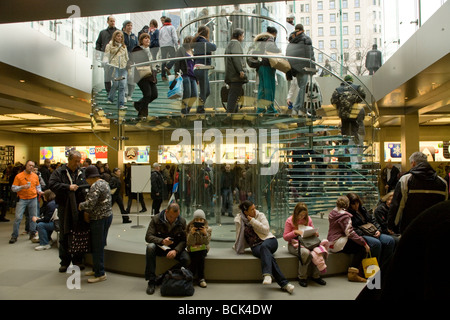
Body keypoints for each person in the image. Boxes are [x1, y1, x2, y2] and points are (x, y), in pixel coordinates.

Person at [233, 200, 295, 294]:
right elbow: (238, 234)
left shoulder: (260, 215)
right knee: (268, 256)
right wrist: (237, 246)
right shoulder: (239, 220)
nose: (254, 211)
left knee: (265, 247)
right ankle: (285, 284)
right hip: (256, 247)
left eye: (255, 208)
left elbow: (266, 230)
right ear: (245, 212)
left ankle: (267, 274)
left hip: (269, 240)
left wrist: (253, 221)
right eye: (252, 209)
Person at [48, 150, 90, 272]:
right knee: (65, 233)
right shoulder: (59, 172)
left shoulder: (81, 172)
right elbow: (52, 184)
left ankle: (78, 259)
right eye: (76, 161)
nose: (78, 163)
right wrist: (67, 187)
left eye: (79, 161)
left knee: (79, 232)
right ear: (69, 160)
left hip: (80, 207)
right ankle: (65, 261)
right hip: (64, 207)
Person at [388, 151, 448, 234]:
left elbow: (397, 205)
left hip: (411, 228)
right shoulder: (442, 182)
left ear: (413, 163)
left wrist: (391, 225)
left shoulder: (406, 180)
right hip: (435, 229)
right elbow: (444, 207)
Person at [144, 203, 190, 295]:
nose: (172, 220)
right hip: (160, 247)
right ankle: (151, 281)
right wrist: (162, 241)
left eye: (175, 217)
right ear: (166, 212)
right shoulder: (156, 219)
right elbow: (148, 237)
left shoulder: (182, 221)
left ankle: (162, 276)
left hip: (174, 248)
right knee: (150, 247)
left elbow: (184, 241)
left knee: (187, 259)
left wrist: (176, 250)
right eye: (170, 217)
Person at [78, 166, 113, 283]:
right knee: (100, 244)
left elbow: (90, 204)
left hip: (98, 219)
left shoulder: (95, 186)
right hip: (107, 216)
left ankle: (100, 273)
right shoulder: (105, 183)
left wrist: (80, 205)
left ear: (89, 177)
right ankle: (96, 268)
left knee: (97, 246)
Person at [283, 202, 328, 287]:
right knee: (305, 253)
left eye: (304, 215)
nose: (302, 217)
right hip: (294, 244)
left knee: (318, 251)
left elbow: (312, 229)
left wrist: (315, 233)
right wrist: (294, 232)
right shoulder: (289, 221)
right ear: (296, 213)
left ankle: (316, 276)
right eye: (300, 215)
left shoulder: (308, 219)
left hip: (308, 242)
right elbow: (285, 237)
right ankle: (302, 277)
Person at [327, 196, 370, 282]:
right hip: (338, 242)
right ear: (348, 205)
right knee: (362, 248)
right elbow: (350, 233)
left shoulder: (333, 212)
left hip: (331, 242)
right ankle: (353, 274)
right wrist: (364, 243)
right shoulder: (345, 216)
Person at [346, 193, 395, 267]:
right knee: (376, 243)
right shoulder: (348, 214)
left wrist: (378, 230)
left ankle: (384, 267)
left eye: (357, 203)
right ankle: (371, 270)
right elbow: (353, 229)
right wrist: (368, 233)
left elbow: (373, 220)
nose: (356, 206)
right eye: (354, 204)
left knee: (389, 240)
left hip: (372, 231)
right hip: (362, 234)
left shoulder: (362, 209)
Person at [9, 160, 43, 244]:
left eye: (33, 165)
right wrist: (22, 187)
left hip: (33, 198)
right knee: (18, 217)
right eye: (29, 165)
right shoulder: (19, 176)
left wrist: (39, 191)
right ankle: (14, 235)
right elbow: (13, 188)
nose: (31, 167)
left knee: (33, 217)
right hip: (22, 199)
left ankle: (32, 233)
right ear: (26, 166)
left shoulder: (35, 176)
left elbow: (38, 186)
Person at [286, 24, 315, 116]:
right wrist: (312, 68)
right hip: (305, 68)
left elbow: (289, 57)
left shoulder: (292, 42)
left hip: (296, 69)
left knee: (302, 88)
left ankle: (297, 108)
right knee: (304, 88)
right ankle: (300, 108)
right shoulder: (306, 39)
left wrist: (291, 72)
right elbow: (310, 55)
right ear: (302, 30)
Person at [249, 32, 281, 114]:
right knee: (269, 88)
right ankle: (270, 109)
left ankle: (260, 109)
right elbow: (271, 48)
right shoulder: (270, 39)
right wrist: (278, 50)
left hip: (260, 67)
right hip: (267, 65)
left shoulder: (258, 42)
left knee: (262, 89)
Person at [331, 75, 366, 146]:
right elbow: (363, 95)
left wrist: (339, 106)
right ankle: (356, 142)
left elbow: (333, 100)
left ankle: (345, 143)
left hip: (343, 113)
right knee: (355, 126)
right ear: (351, 80)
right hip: (354, 111)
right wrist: (356, 101)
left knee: (344, 128)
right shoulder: (357, 87)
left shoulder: (338, 89)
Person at [131, 33, 158, 118]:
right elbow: (133, 60)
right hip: (141, 75)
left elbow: (153, 64)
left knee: (154, 94)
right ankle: (142, 115)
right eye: (145, 38)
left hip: (150, 75)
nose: (147, 40)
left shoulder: (150, 51)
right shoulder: (137, 49)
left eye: (148, 38)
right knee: (147, 94)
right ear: (141, 40)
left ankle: (138, 104)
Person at [193, 25, 217, 114]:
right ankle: (199, 110)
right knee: (205, 91)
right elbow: (214, 47)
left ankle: (200, 108)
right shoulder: (202, 41)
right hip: (201, 67)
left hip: (198, 68)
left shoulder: (197, 41)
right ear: (206, 33)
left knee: (206, 91)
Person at [186, 209, 212, 288]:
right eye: (197, 219)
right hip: (192, 249)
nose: (199, 221)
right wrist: (192, 233)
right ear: (194, 220)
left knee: (200, 253)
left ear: (204, 220)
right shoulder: (189, 228)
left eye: (201, 219)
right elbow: (189, 243)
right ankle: (201, 278)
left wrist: (205, 234)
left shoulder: (208, 229)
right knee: (196, 254)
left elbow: (206, 242)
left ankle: (193, 275)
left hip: (203, 249)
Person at [104, 30, 129, 110]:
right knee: (115, 83)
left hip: (123, 67)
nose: (120, 38)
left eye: (121, 36)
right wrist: (106, 62)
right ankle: (110, 98)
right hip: (114, 67)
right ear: (115, 36)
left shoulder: (124, 46)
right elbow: (106, 55)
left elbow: (126, 57)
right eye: (118, 36)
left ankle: (121, 104)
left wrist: (128, 65)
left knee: (122, 85)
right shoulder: (109, 45)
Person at [224, 28, 248, 113]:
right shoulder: (236, 44)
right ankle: (229, 115)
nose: (243, 38)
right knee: (234, 97)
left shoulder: (229, 44)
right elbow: (236, 58)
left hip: (231, 75)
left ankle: (233, 116)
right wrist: (241, 71)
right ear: (239, 36)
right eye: (243, 36)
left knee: (235, 97)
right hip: (236, 76)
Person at [174, 36, 198, 114]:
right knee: (187, 93)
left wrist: (197, 78)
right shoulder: (181, 50)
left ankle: (187, 110)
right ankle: (184, 112)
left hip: (193, 76)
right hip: (185, 74)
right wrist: (176, 72)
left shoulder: (193, 52)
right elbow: (177, 61)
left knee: (194, 95)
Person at [95, 16, 118, 93]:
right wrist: (98, 53)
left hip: (116, 57)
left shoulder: (118, 32)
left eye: (114, 21)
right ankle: (109, 92)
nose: (113, 22)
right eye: (111, 21)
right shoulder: (102, 32)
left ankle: (114, 91)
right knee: (107, 75)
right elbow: (98, 43)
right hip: (105, 57)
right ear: (107, 22)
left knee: (115, 75)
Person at [122, 20, 138, 102]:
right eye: (128, 25)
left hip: (132, 61)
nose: (130, 27)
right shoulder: (121, 36)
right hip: (123, 61)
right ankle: (124, 95)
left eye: (131, 25)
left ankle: (129, 95)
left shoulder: (134, 37)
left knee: (132, 79)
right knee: (124, 78)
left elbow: (137, 48)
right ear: (124, 27)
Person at [159, 17, 178, 81]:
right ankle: (168, 67)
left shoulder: (161, 28)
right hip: (170, 45)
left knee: (163, 60)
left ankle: (163, 76)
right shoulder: (172, 27)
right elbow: (174, 37)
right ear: (170, 22)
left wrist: (160, 46)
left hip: (162, 46)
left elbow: (159, 38)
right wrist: (176, 45)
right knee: (175, 58)